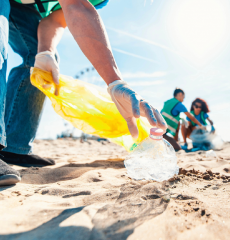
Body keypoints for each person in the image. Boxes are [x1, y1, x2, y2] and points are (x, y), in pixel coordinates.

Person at [0, 0, 166, 186]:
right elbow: (77, 6)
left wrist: (116, 84)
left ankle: (14, 148)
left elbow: (57, 19)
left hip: (22, 6)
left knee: (41, 60)